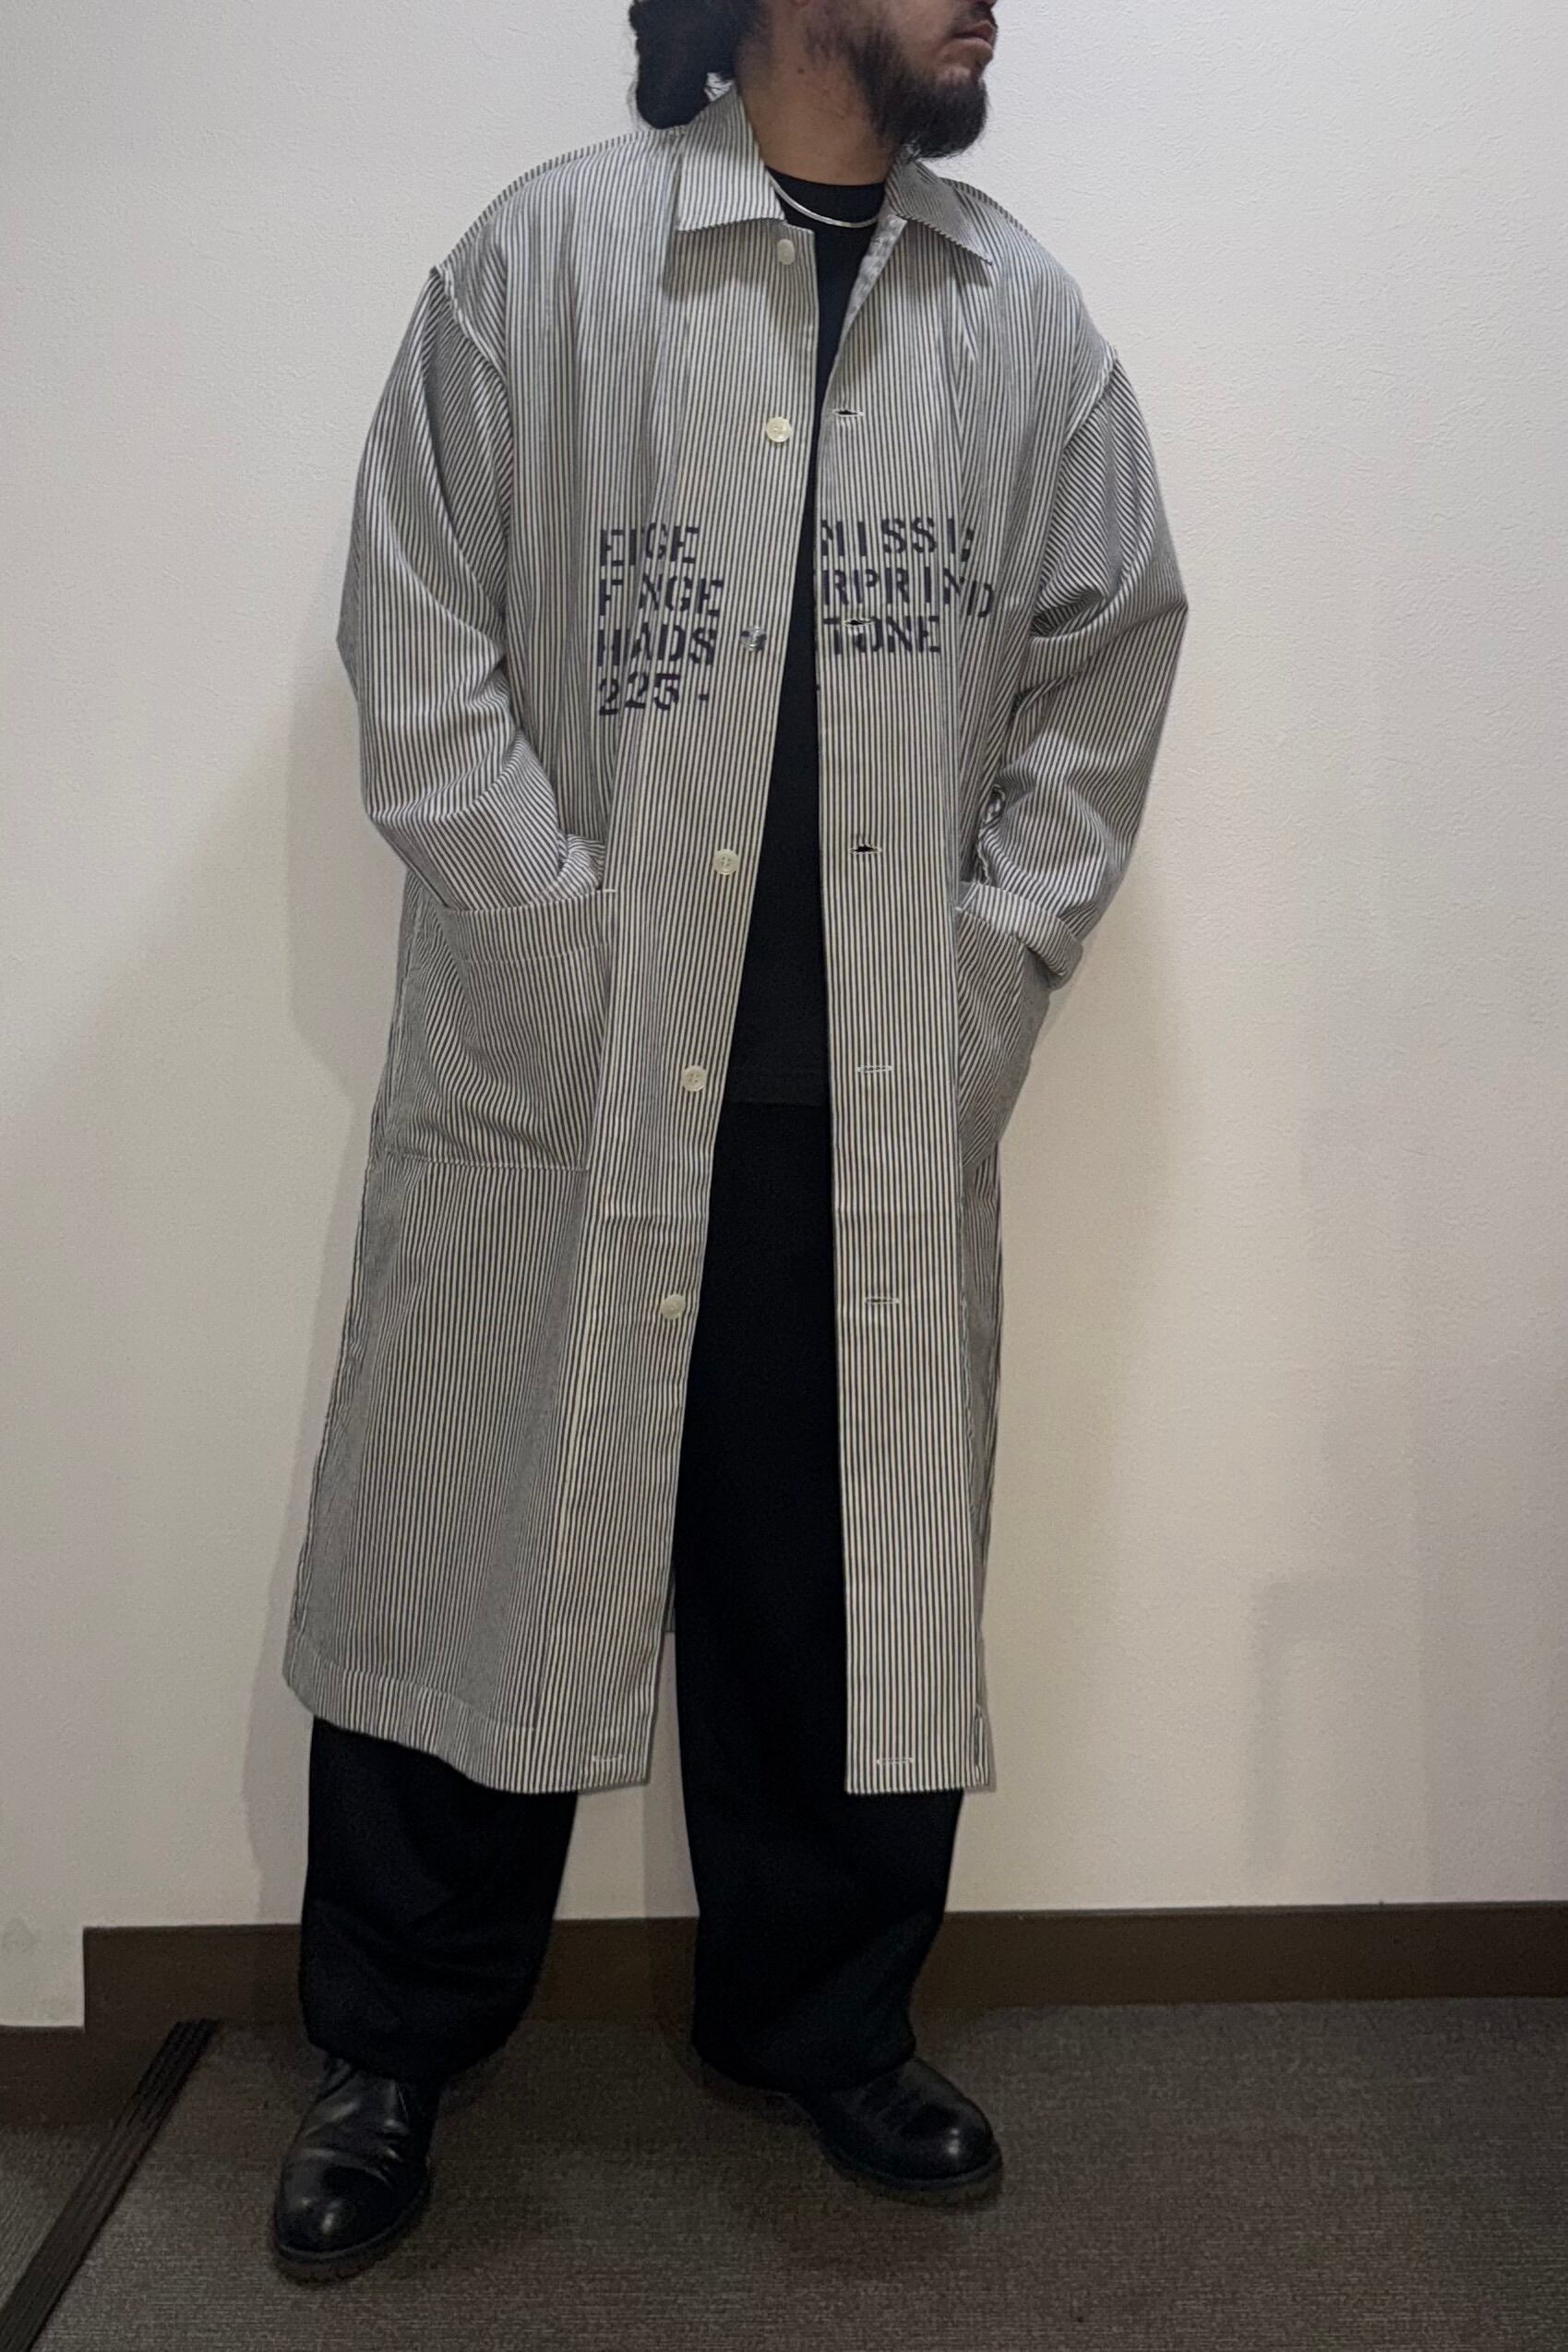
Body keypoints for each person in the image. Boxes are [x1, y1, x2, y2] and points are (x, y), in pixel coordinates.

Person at [270, 0, 1188, 2285]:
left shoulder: (1019, 317)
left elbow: (1107, 659)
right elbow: (419, 641)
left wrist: (994, 963)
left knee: (833, 1595)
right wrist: (545, 938)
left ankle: (828, 2022)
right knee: (481, 1548)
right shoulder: (545, 269)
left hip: (860, 1108)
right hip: (572, 1090)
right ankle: (391, 2047)